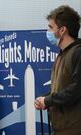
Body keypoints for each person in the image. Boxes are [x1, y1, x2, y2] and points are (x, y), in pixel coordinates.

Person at [34, 5, 81, 135]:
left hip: (74, 129)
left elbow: (75, 90)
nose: (47, 31)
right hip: (61, 128)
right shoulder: (62, 55)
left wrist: (48, 100)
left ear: (62, 30)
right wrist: (45, 98)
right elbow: (61, 88)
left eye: (50, 27)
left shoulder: (78, 53)